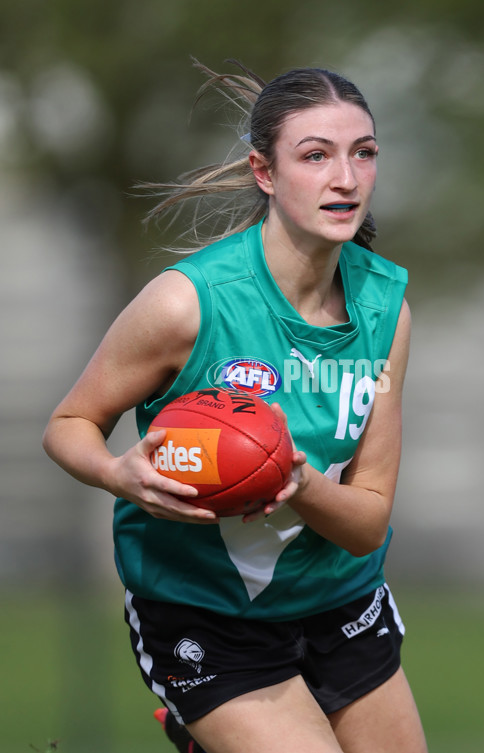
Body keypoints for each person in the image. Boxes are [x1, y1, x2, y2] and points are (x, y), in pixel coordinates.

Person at [43, 60, 427, 753]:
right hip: (205, 615)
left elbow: (367, 522)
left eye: (363, 153)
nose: (346, 178)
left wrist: (298, 481)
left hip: (341, 601)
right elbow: (68, 426)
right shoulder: (186, 301)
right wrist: (116, 473)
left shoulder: (386, 310)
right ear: (264, 171)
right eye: (316, 155)